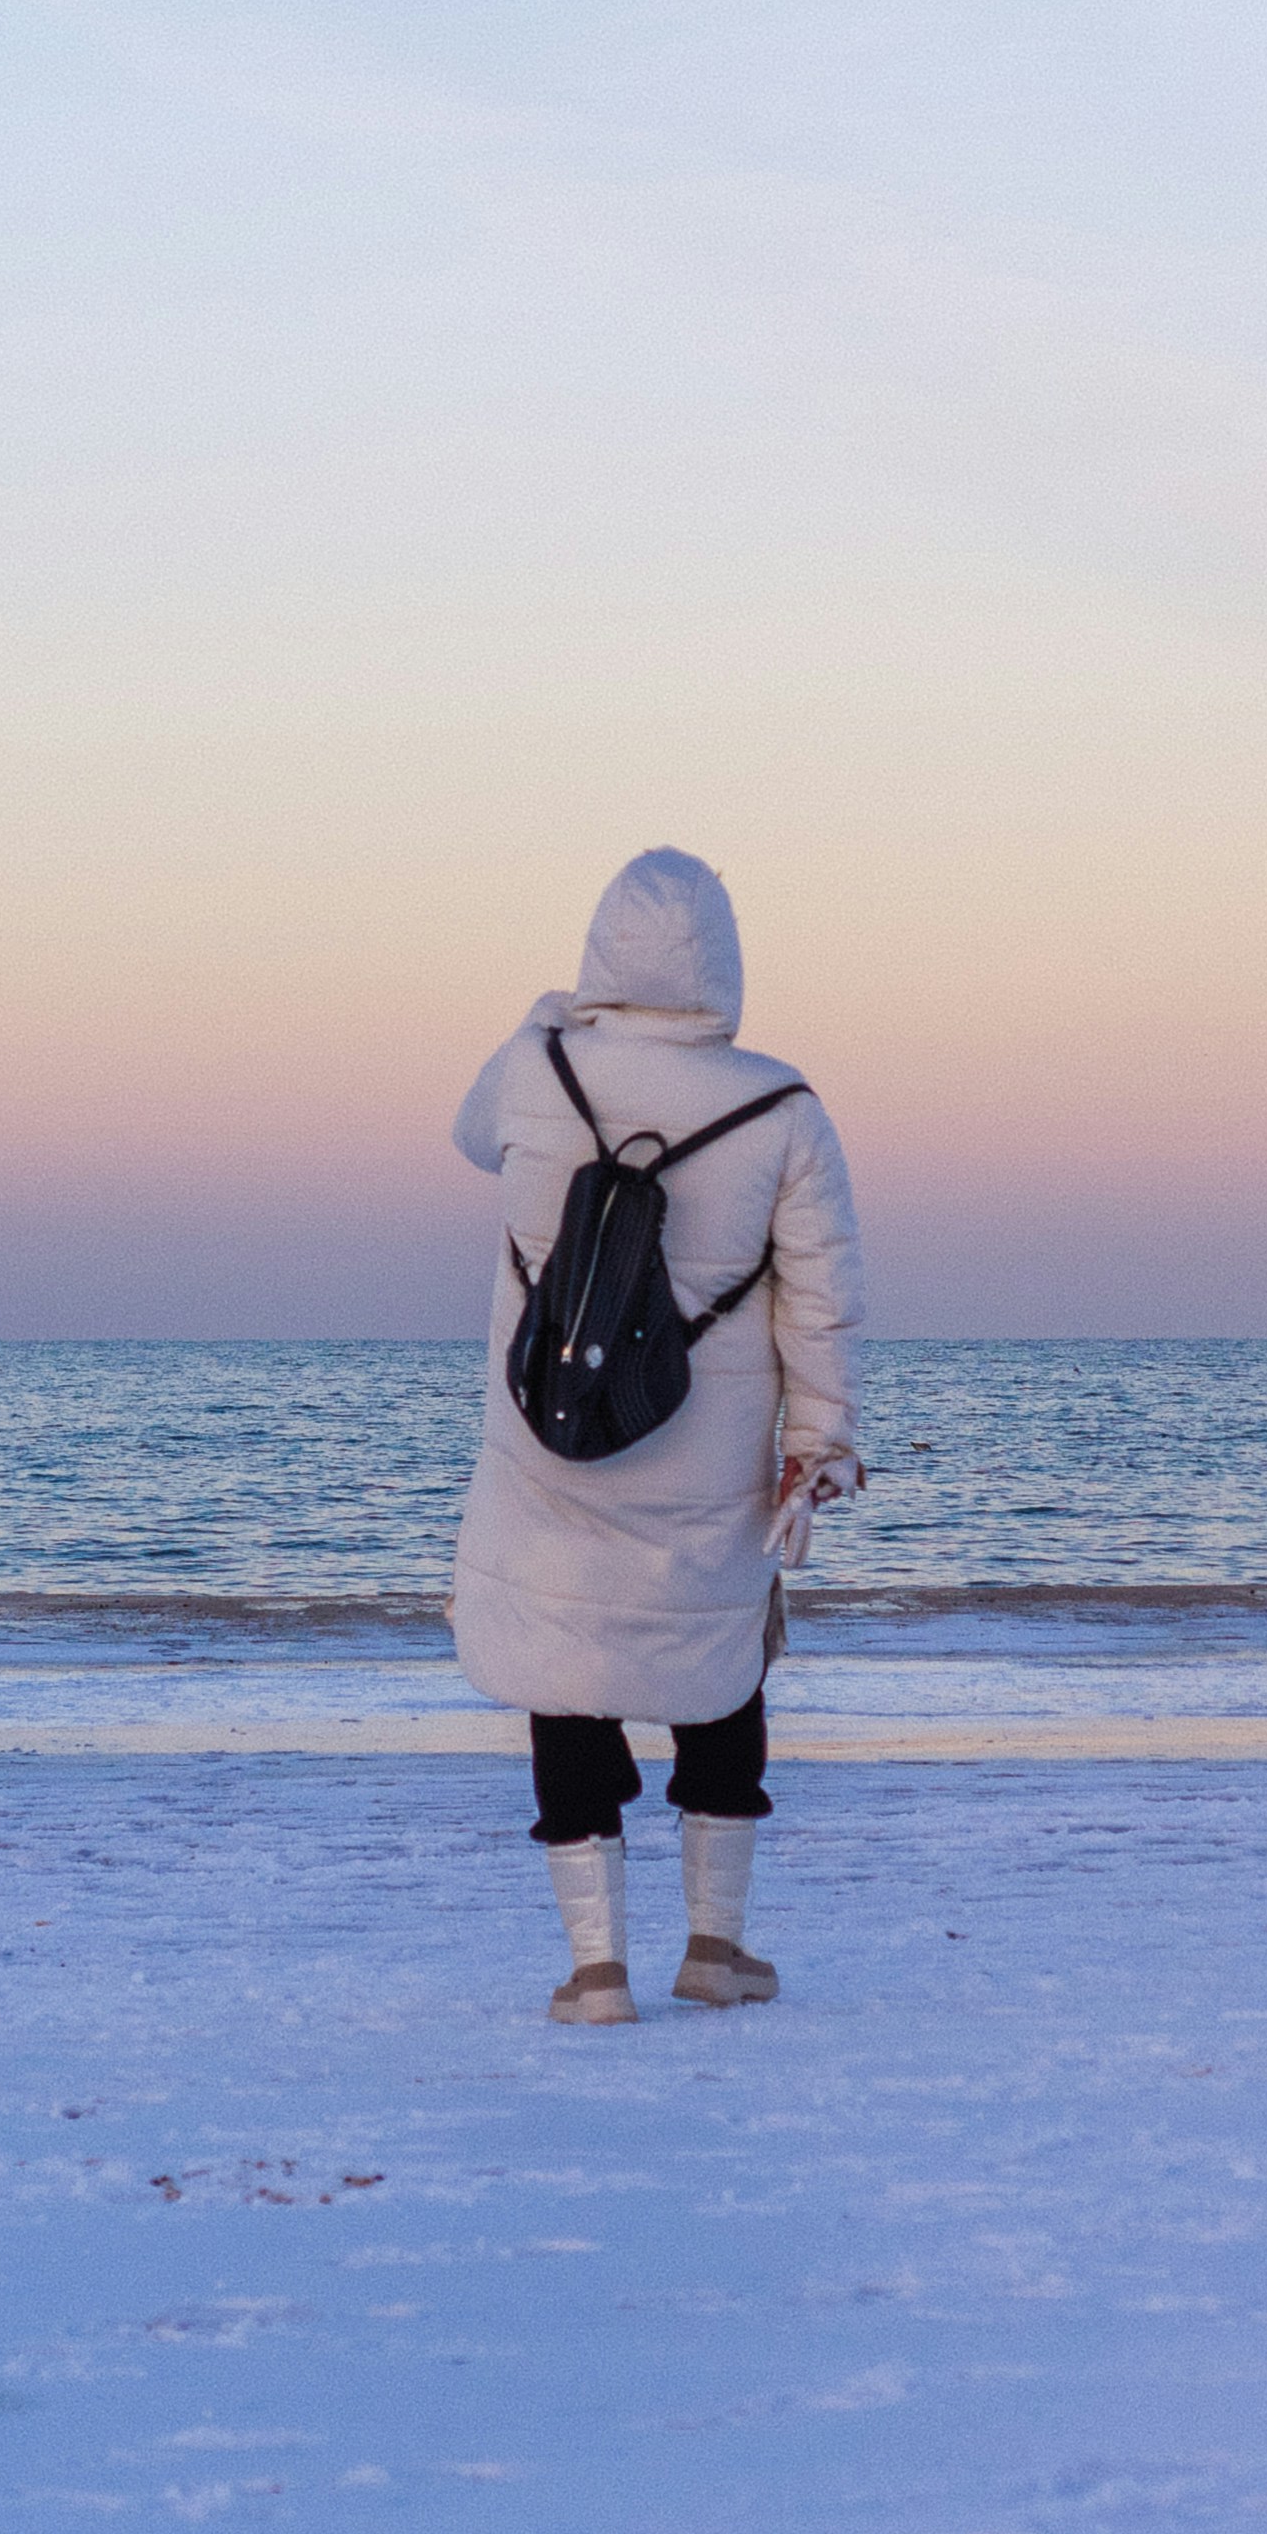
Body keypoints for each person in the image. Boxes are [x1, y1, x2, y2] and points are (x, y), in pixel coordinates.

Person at [449, 849, 865, 2021]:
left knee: (563, 1670)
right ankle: (715, 1953)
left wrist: (549, 1013)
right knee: (719, 1675)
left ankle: (595, 1971)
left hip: (549, 1446)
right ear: (724, 963)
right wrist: (820, 1440)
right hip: (706, 1463)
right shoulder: (782, 1106)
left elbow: (468, 1130)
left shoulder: (534, 1068)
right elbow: (822, 1297)